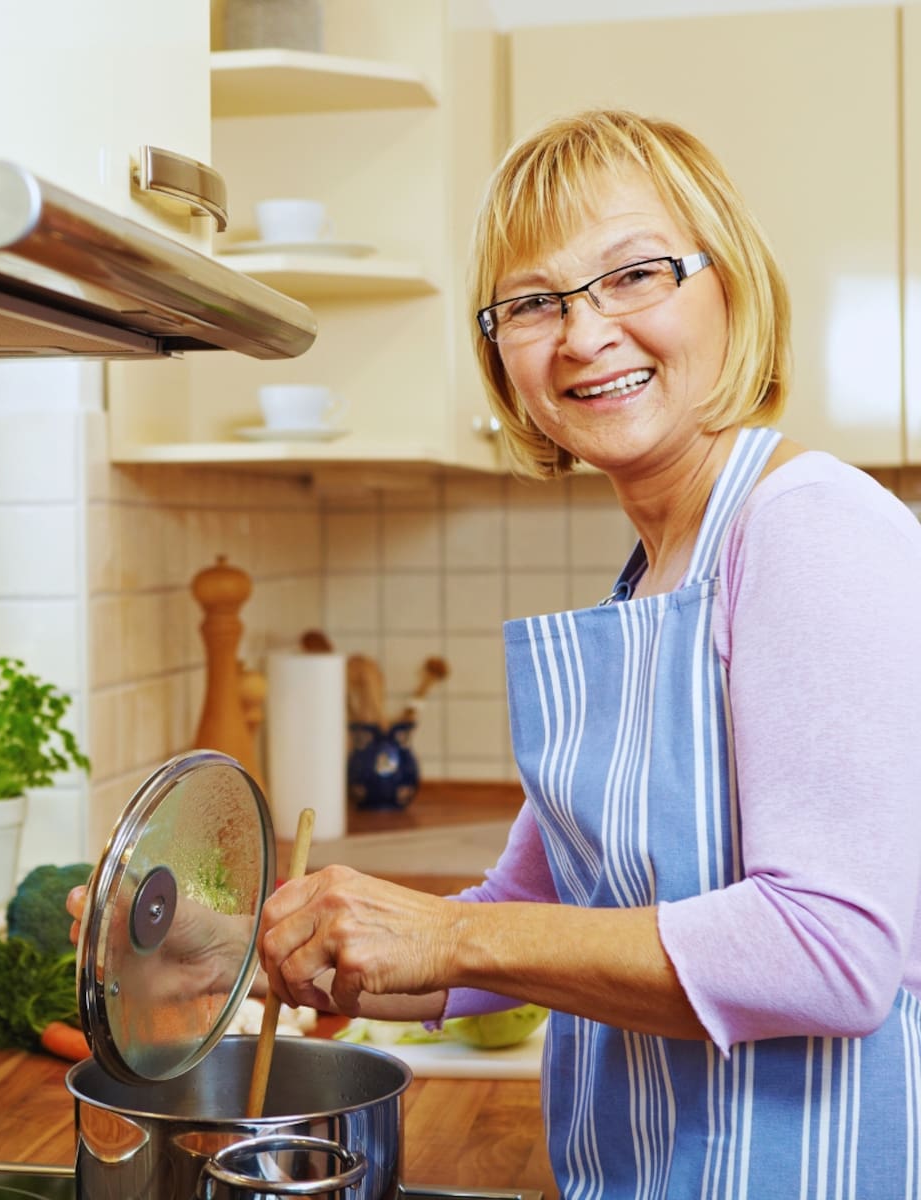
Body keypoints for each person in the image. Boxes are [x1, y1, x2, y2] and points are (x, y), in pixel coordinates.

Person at [253, 110, 921, 1198]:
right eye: (533, 303)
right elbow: (506, 919)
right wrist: (228, 946)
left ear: (731, 288)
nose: (584, 333)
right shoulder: (658, 572)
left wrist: (453, 942)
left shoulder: (810, 530)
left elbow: (832, 951)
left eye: (634, 275)